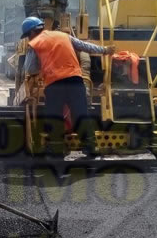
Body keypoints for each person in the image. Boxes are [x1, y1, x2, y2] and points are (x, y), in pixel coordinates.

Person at [21, 17, 115, 156]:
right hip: (75, 81)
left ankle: (57, 150)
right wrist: (105, 50)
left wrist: (42, 65)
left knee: (54, 116)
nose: (28, 38)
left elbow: (29, 68)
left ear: (33, 32)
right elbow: (86, 47)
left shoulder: (35, 44)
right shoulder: (64, 36)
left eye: (28, 35)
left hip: (55, 85)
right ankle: (90, 148)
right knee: (81, 114)